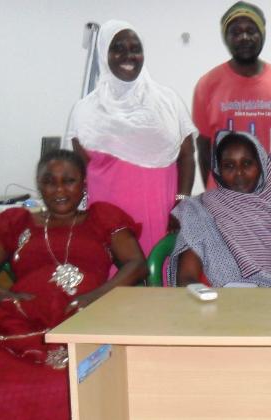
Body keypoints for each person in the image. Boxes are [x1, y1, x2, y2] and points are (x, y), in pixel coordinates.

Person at [0, 150, 147, 420]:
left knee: (68, 382)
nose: (59, 190)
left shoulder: (101, 218)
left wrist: (96, 297)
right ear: (38, 184)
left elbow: (137, 264)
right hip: (21, 320)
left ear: (84, 184)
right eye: (49, 181)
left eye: (69, 181)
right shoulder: (18, 222)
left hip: (84, 319)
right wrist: (2, 292)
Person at [65, 19, 197, 256]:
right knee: (117, 278)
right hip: (108, 224)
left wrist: (182, 201)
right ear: (104, 53)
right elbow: (79, 172)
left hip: (163, 217)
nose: (128, 56)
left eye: (135, 48)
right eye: (118, 48)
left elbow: (187, 155)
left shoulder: (168, 102)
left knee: (158, 273)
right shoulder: (85, 111)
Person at [193, 1, 271, 199]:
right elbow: (204, 147)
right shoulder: (207, 84)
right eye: (235, 32)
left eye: (251, 30)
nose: (244, 37)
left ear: (262, 34)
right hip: (224, 200)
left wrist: (260, 172)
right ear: (226, 38)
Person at [168, 131, 271, 288]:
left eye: (247, 164)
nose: (239, 173)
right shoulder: (201, 210)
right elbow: (186, 278)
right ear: (218, 170)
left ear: (261, 165)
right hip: (221, 299)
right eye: (229, 166)